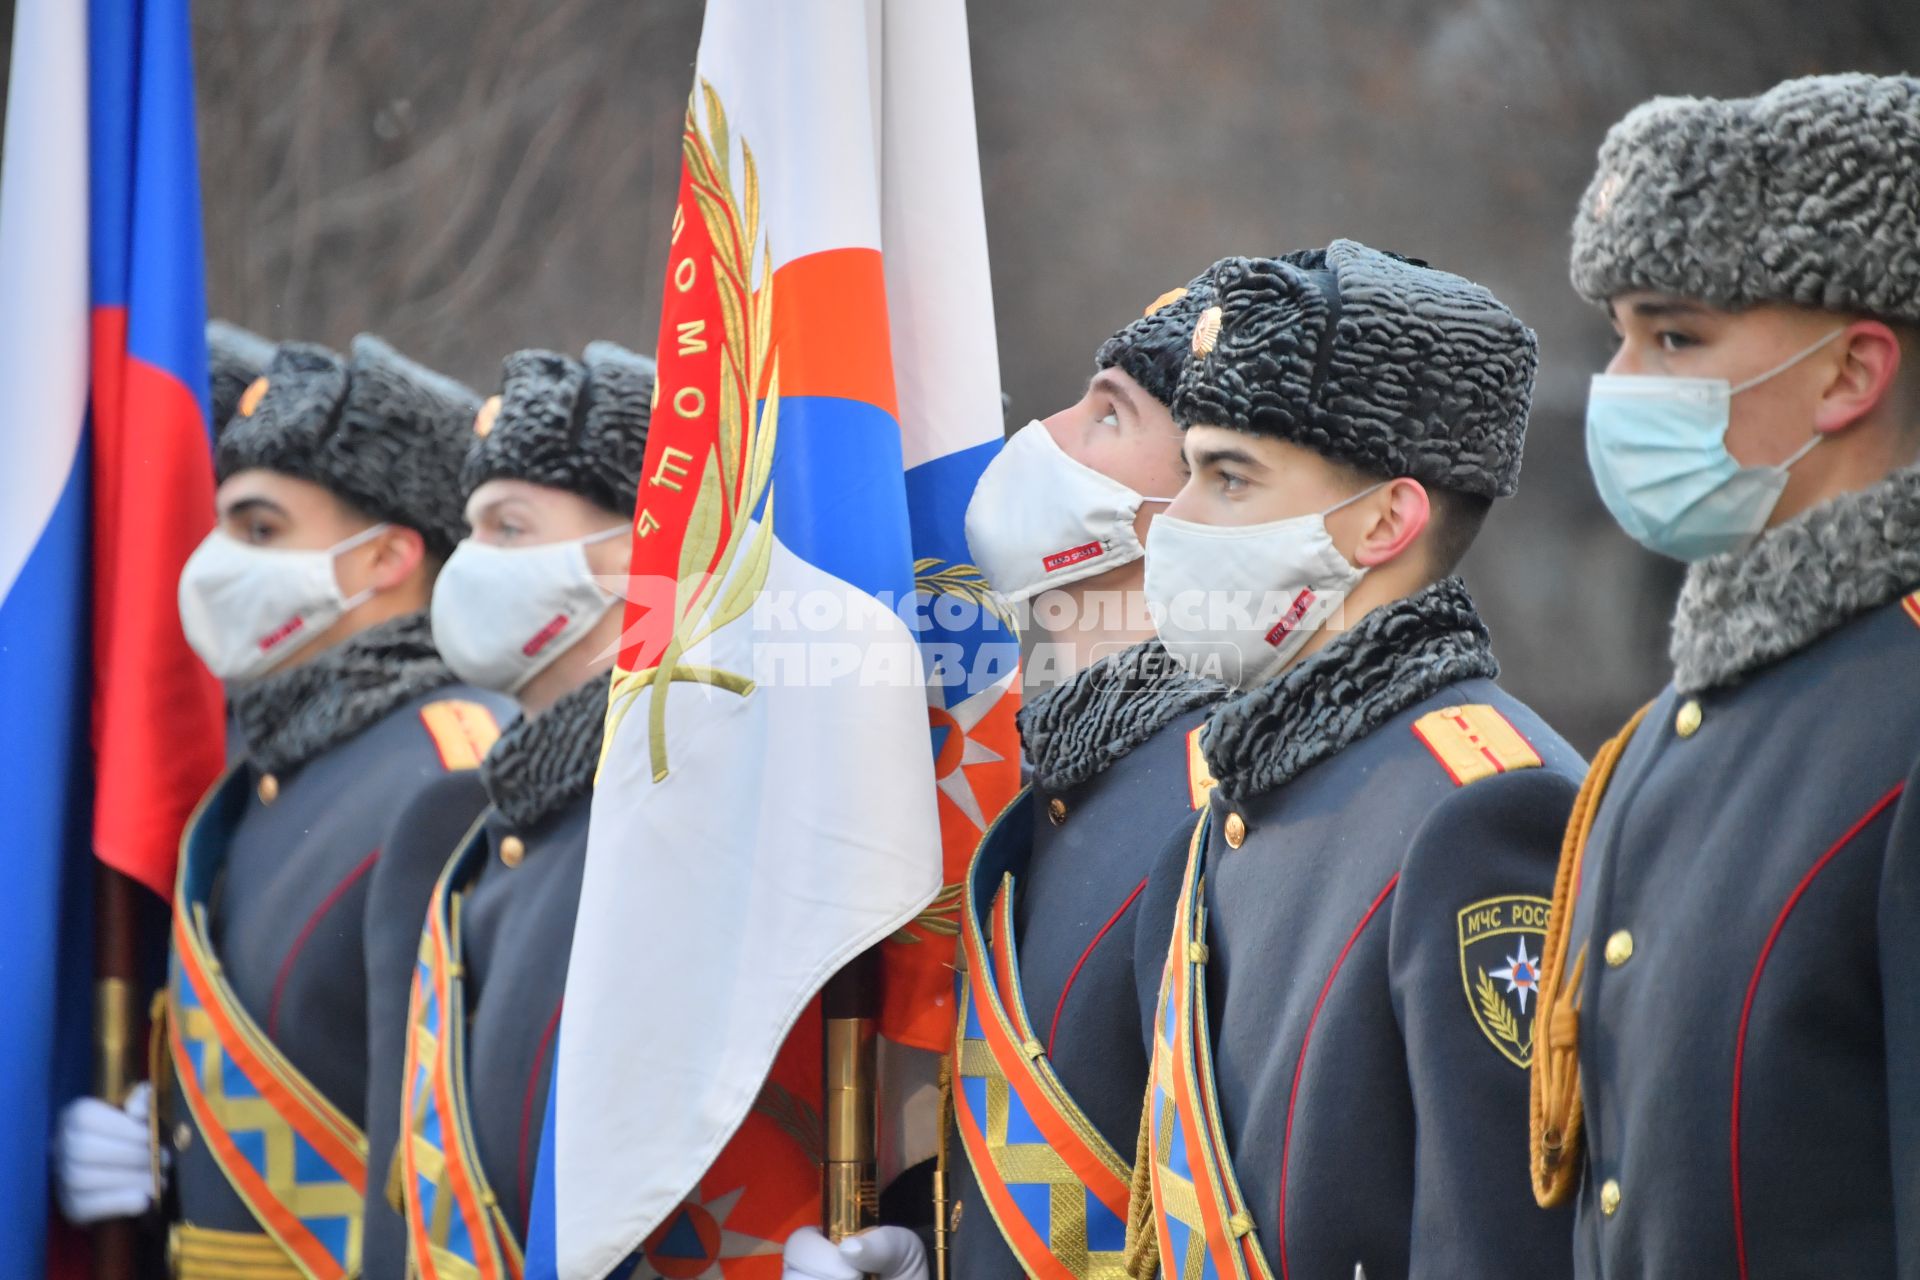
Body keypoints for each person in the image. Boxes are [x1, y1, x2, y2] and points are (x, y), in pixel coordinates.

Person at [1130, 243, 1584, 1280]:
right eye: (1188, 468)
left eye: (1229, 476)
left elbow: (1498, 1244)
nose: (1177, 519)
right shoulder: (1227, 815)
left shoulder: (1486, 810)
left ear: (1386, 518)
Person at [1530, 73, 1920, 1278]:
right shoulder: (1674, 728)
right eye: (1621, 337)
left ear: (1850, 375)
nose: (1625, 381)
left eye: (1678, 334)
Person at [780, 280, 1229, 1280]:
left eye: (1109, 414)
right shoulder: (1071, 776)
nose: (1044, 433)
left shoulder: (1211, 799)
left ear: (1197, 500)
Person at [53, 335, 513, 1280]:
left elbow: (458, 1141)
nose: (219, 562)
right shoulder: (270, 770)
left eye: (260, 532)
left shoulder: (454, 760)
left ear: (387, 556)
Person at [359, 343, 656, 1276]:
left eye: (511, 528)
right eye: (472, 527)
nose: (473, 562)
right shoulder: (458, 827)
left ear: (633, 556)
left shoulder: (672, 820)